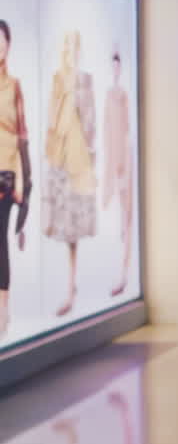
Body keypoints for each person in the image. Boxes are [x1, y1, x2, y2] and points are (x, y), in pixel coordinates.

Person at [44, 30, 96, 318]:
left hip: (79, 160)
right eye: (67, 47)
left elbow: (90, 122)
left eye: (74, 47)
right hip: (62, 159)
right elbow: (52, 120)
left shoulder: (84, 80)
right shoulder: (57, 79)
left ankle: (72, 286)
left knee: (75, 226)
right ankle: (67, 287)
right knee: (64, 226)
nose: (69, 52)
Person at [0, 21, 30, 341]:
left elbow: (23, 136)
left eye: (2, 41)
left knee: (0, 239)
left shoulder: (14, 86)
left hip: (7, 171)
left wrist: (22, 178)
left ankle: (3, 307)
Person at [101, 51, 133, 297]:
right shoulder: (109, 95)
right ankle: (117, 272)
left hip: (123, 158)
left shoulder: (122, 95)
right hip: (113, 158)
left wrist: (121, 165)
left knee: (125, 218)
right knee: (116, 218)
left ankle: (123, 272)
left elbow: (125, 129)